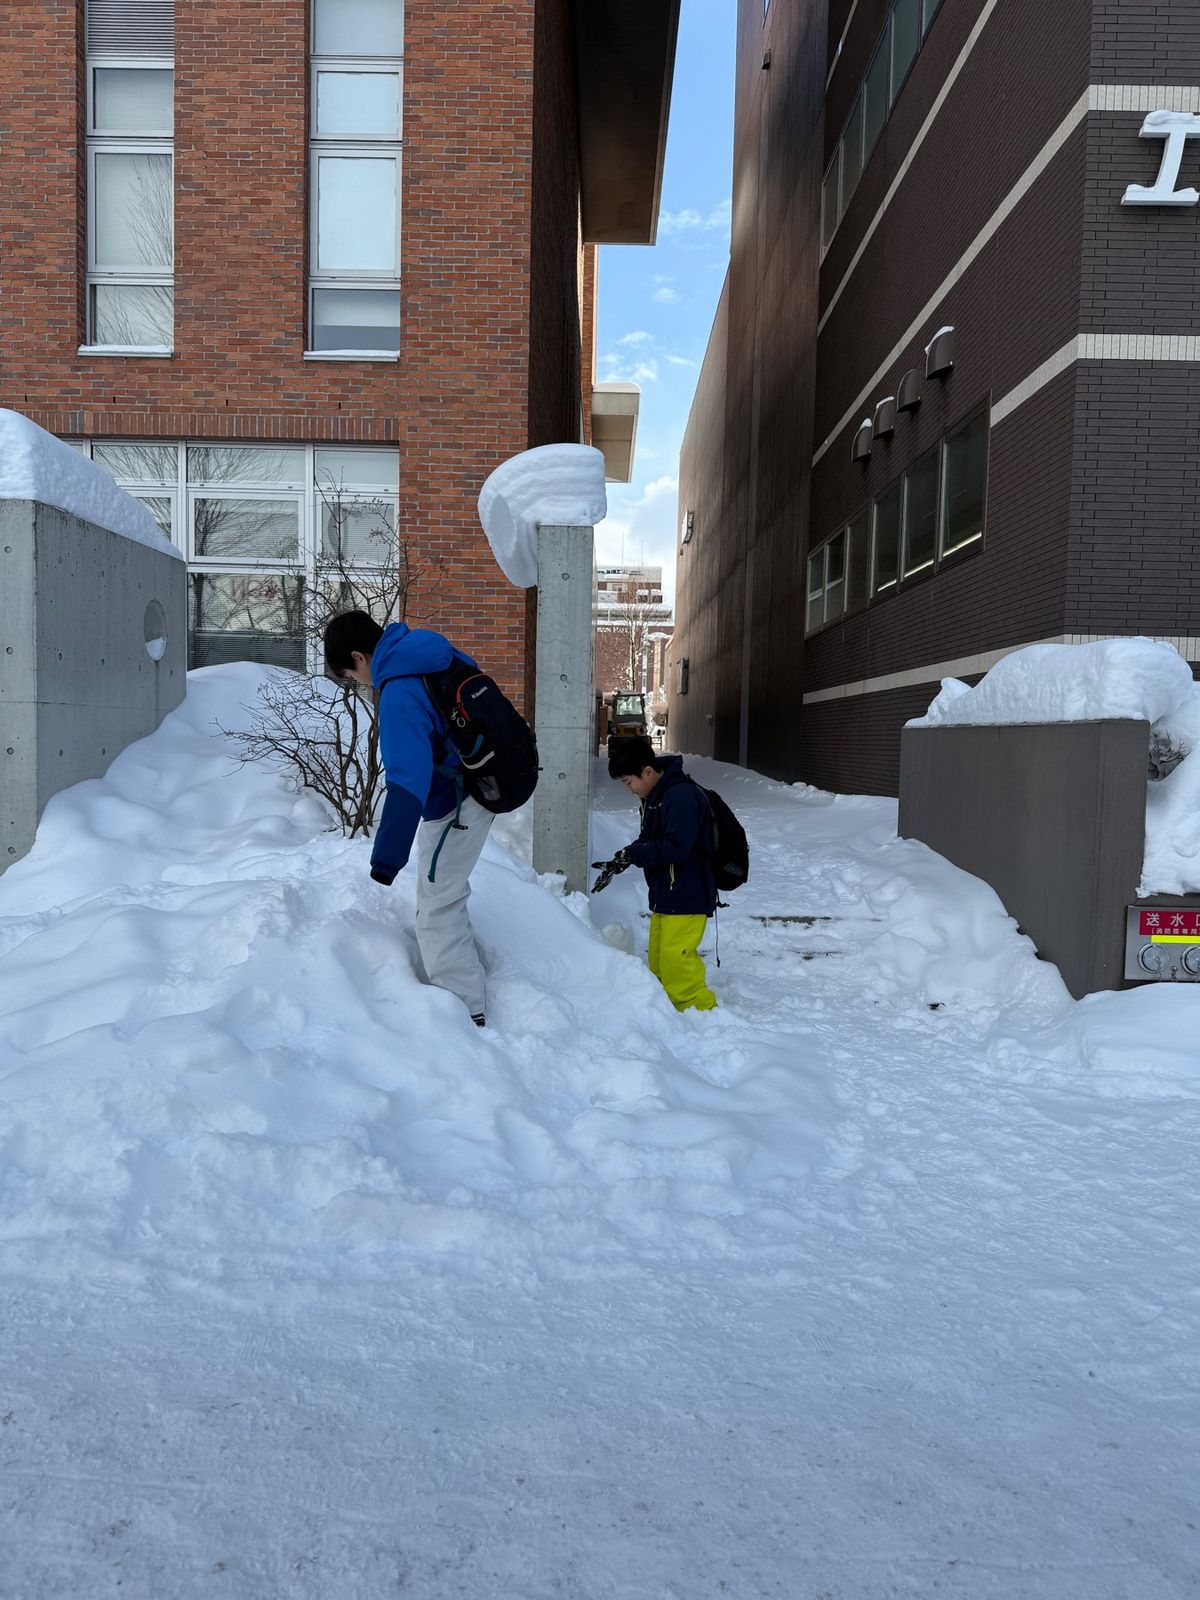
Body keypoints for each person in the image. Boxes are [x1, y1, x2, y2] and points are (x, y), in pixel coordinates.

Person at [323, 610, 492, 1027]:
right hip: (479, 782)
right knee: (444, 893)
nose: (358, 684)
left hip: (456, 801)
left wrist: (386, 861)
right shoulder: (431, 651)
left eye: (350, 674)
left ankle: (465, 1010)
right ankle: (467, 976)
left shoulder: (399, 692)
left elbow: (406, 784)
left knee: (436, 905)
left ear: (360, 657)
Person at [601, 735, 718, 1012]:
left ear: (648, 772)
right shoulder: (657, 796)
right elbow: (651, 839)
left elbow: (677, 847)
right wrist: (625, 856)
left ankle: (699, 1011)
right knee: (658, 960)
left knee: (676, 960)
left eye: (629, 782)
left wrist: (637, 854)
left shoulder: (680, 796)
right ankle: (667, 1012)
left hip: (687, 892)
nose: (629, 789)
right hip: (667, 893)